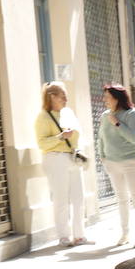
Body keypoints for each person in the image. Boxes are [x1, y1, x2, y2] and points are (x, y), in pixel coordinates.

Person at [36, 81, 90, 247]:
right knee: (61, 199)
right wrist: (60, 136)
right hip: (55, 158)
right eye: (62, 96)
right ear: (51, 97)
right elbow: (42, 144)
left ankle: (79, 236)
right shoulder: (43, 117)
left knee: (79, 198)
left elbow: (76, 135)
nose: (66, 99)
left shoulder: (68, 113)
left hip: (71, 157)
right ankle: (64, 236)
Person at [96, 82, 135, 248]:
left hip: (132, 161)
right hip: (112, 162)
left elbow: (133, 138)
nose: (105, 100)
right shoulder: (104, 116)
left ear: (117, 98)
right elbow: (101, 138)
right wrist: (103, 157)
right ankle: (125, 233)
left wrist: (117, 123)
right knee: (121, 199)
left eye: (108, 97)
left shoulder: (132, 114)